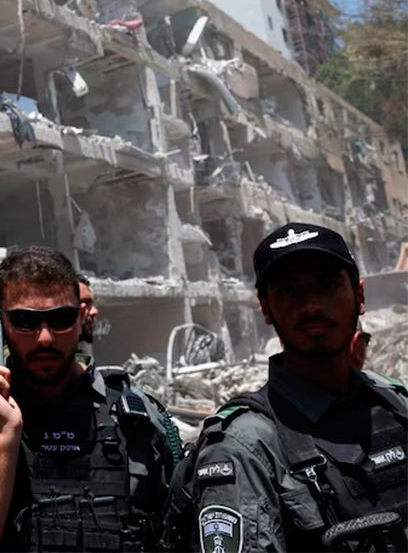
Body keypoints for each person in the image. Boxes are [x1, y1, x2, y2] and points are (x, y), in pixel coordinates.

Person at [170, 223, 407, 552]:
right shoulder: (246, 446)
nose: (312, 305)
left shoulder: (396, 402)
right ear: (266, 308)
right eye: (289, 291)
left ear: (360, 296)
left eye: (328, 285)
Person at [0, 246, 179, 552]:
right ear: (0, 324)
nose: (45, 338)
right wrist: (5, 437)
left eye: (61, 318)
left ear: (81, 317)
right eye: (25, 320)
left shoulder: (136, 417)